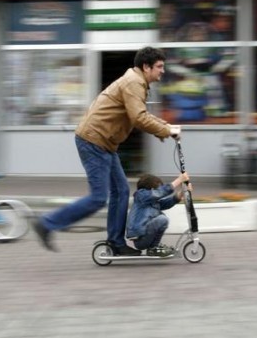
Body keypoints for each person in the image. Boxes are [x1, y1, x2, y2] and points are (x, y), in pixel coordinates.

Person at [32, 46, 181, 253]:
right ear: (146, 67)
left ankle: (116, 244)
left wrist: (165, 127)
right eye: (159, 66)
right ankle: (47, 223)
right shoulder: (134, 83)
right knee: (98, 198)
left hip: (103, 143)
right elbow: (138, 118)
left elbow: (141, 114)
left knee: (120, 191)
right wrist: (165, 130)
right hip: (94, 141)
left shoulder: (136, 81)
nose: (162, 71)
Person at [126, 172, 190, 257]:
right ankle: (154, 248)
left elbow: (164, 203)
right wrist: (179, 180)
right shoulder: (141, 195)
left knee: (162, 219)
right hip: (140, 238)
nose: (160, 190)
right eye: (158, 187)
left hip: (144, 236)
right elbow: (159, 193)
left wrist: (180, 194)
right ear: (152, 188)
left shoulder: (152, 201)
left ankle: (153, 248)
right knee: (162, 219)